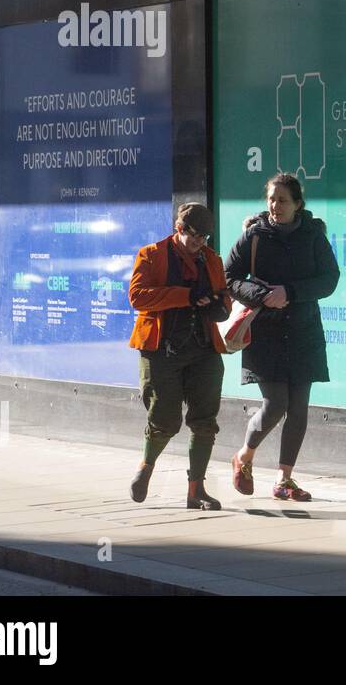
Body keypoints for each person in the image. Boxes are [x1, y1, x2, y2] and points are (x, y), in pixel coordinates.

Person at [225, 173, 339, 501]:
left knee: (299, 408)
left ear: (298, 204)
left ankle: (284, 480)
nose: (275, 206)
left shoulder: (313, 235)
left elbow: (330, 279)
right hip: (265, 333)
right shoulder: (254, 236)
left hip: (304, 331)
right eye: (272, 199)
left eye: (282, 200)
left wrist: (290, 291)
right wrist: (262, 295)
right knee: (276, 404)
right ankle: (244, 456)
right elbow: (228, 277)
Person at [127, 203, 231, 510]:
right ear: (179, 229)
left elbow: (223, 296)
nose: (200, 242)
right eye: (194, 235)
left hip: (202, 348)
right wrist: (184, 296)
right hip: (162, 348)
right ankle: (146, 468)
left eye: (205, 237)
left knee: (205, 419)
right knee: (164, 418)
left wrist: (219, 306)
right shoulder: (152, 254)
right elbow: (138, 296)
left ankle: (196, 490)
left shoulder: (211, 259)